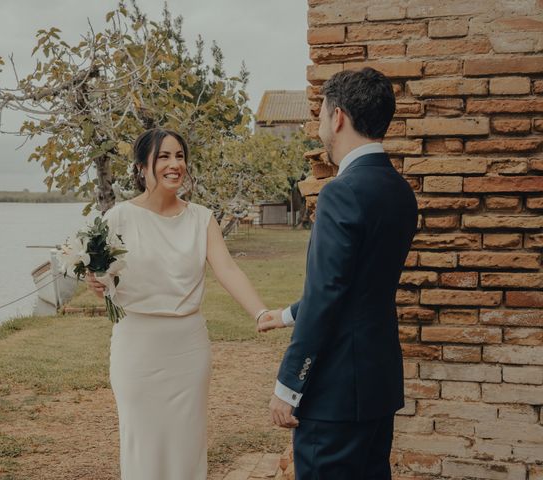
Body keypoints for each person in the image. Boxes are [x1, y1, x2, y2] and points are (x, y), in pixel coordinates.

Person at [85, 128, 274, 480]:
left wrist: (260, 311)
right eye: (164, 157)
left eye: (180, 156)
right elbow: (99, 274)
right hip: (137, 348)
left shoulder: (201, 218)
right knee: (142, 442)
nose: (175, 165)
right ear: (142, 167)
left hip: (188, 349)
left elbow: (227, 268)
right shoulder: (118, 218)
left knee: (186, 445)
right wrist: (95, 281)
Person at [258, 68, 419, 479]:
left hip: (334, 396)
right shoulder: (400, 191)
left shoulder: (340, 192)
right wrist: (289, 314)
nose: (318, 128)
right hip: (377, 387)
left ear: (338, 117)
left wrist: (288, 386)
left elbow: (328, 293)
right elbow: (358, 284)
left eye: (321, 114)